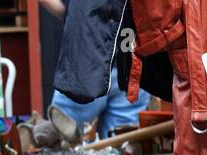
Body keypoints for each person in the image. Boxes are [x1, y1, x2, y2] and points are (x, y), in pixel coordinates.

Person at [41, 0, 152, 140]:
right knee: (59, 142)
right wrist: (70, 13)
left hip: (130, 62)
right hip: (92, 61)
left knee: (123, 147)